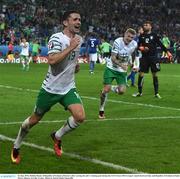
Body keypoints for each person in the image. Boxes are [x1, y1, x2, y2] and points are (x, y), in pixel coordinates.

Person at [11, 10, 85, 164]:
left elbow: (72, 59)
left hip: (68, 87)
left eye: (80, 19)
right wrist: (70, 47)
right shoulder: (56, 38)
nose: (78, 22)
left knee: (80, 117)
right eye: (75, 19)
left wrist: (75, 65)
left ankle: (57, 136)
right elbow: (52, 60)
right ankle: (16, 145)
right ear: (65, 22)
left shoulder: (79, 39)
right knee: (32, 121)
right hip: (50, 89)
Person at [99, 28, 138, 119]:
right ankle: (101, 109)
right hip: (111, 68)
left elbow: (132, 53)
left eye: (132, 37)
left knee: (121, 91)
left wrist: (133, 64)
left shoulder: (134, 44)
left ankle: (111, 88)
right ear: (124, 34)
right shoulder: (117, 42)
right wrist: (121, 65)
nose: (129, 39)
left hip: (122, 71)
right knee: (106, 89)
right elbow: (113, 57)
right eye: (128, 36)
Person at [132, 21, 172, 99]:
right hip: (144, 58)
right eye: (144, 25)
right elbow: (138, 46)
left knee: (155, 74)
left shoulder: (154, 35)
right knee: (141, 74)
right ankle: (139, 92)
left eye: (146, 25)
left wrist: (167, 52)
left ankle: (156, 93)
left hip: (153, 58)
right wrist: (142, 48)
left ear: (150, 26)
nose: (144, 26)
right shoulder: (141, 36)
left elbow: (160, 44)